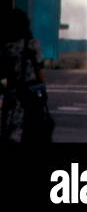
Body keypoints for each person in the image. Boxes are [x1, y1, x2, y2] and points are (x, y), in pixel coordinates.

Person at [1, 8, 53, 144]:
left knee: (11, 129)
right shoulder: (32, 43)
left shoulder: (6, 46)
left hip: (12, 93)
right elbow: (39, 68)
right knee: (31, 128)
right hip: (30, 92)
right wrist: (43, 87)